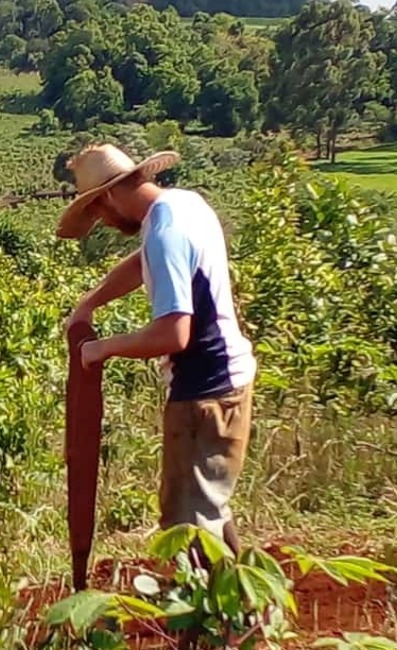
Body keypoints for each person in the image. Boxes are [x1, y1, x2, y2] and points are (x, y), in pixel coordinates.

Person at [57, 143, 257, 557]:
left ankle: (210, 600)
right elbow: (142, 262)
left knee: (188, 524)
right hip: (226, 381)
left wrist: (102, 349)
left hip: (205, 394)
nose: (103, 222)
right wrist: (90, 302)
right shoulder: (181, 206)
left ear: (110, 196)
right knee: (208, 505)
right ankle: (248, 593)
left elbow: (173, 334)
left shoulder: (165, 232)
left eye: (98, 211)